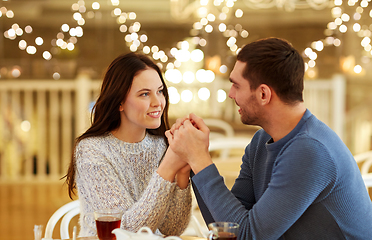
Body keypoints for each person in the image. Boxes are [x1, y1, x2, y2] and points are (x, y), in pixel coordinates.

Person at [166, 37, 372, 239]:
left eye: (236, 85)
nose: (230, 94)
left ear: (263, 94)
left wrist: (199, 159)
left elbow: (247, 236)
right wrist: (193, 157)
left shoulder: (310, 149)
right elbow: (229, 227)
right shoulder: (261, 140)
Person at [64, 52, 192, 237]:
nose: (158, 102)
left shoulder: (161, 147)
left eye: (160, 91)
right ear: (120, 102)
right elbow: (124, 233)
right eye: (145, 94)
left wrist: (182, 172)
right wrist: (168, 167)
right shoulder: (92, 151)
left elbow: (171, 230)